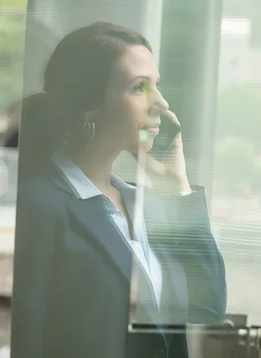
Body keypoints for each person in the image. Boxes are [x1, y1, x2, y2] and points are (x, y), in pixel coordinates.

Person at [11, 22, 227, 358]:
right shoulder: (40, 204)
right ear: (89, 104)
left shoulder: (148, 205)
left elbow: (207, 304)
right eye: (140, 88)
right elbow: (27, 339)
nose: (161, 103)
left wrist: (175, 188)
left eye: (157, 86)